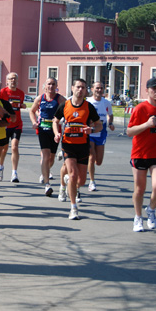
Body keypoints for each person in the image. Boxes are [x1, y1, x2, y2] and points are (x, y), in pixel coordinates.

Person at [127, 77, 156, 232]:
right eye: (154, 88)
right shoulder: (140, 109)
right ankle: (138, 217)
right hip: (140, 154)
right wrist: (146, 124)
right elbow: (129, 131)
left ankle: (151, 209)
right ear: (147, 90)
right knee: (140, 189)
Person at [53, 79, 102, 220]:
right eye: (78, 87)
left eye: (83, 88)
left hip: (83, 145)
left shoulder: (89, 107)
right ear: (72, 88)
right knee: (73, 175)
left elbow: (99, 125)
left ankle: (68, 180)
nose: (80, 90)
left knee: (81, 182)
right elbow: (55, 121)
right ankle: (73, 208)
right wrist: (56, 133)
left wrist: (91, 129)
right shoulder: (65, 105)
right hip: (68, 144)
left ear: (86, 90)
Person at [29, 78, 65, 197]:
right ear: (45, 86)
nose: (51, 86)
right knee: (45, 155)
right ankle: (47, 184)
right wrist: (34, 122)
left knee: (51, 158)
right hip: (43, 128)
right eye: (49, 84)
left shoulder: (60, 99)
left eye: (53, 84)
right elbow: (32, 111)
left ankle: (45, 172)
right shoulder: (40, 98)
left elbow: (69, 109)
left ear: (56, 86)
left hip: (55, 130)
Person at [0, 72, 26, 183]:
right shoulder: (3, 92)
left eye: (14, 79)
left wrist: (21, 106)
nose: (13, 81)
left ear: (17, 81)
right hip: (5, 124)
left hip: (17, 124)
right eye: (10, 79)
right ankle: (0, 167)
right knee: (4, 149)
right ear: (7, 81)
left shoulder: (21, 93)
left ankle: (14, 172)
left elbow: (20, 105)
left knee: (14, 147)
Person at [86, 82, 115, 191]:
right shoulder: (88, 102)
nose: (99, 90)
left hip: (101, 132)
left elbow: (110, 115)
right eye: (97, 88)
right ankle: (92, 181)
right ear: (92, 89)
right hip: (90, 132)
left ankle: (88, 164)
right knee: (91, 157)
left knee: (99, 161)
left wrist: (110, 123)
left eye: (101, 88)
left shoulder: (106, 103)